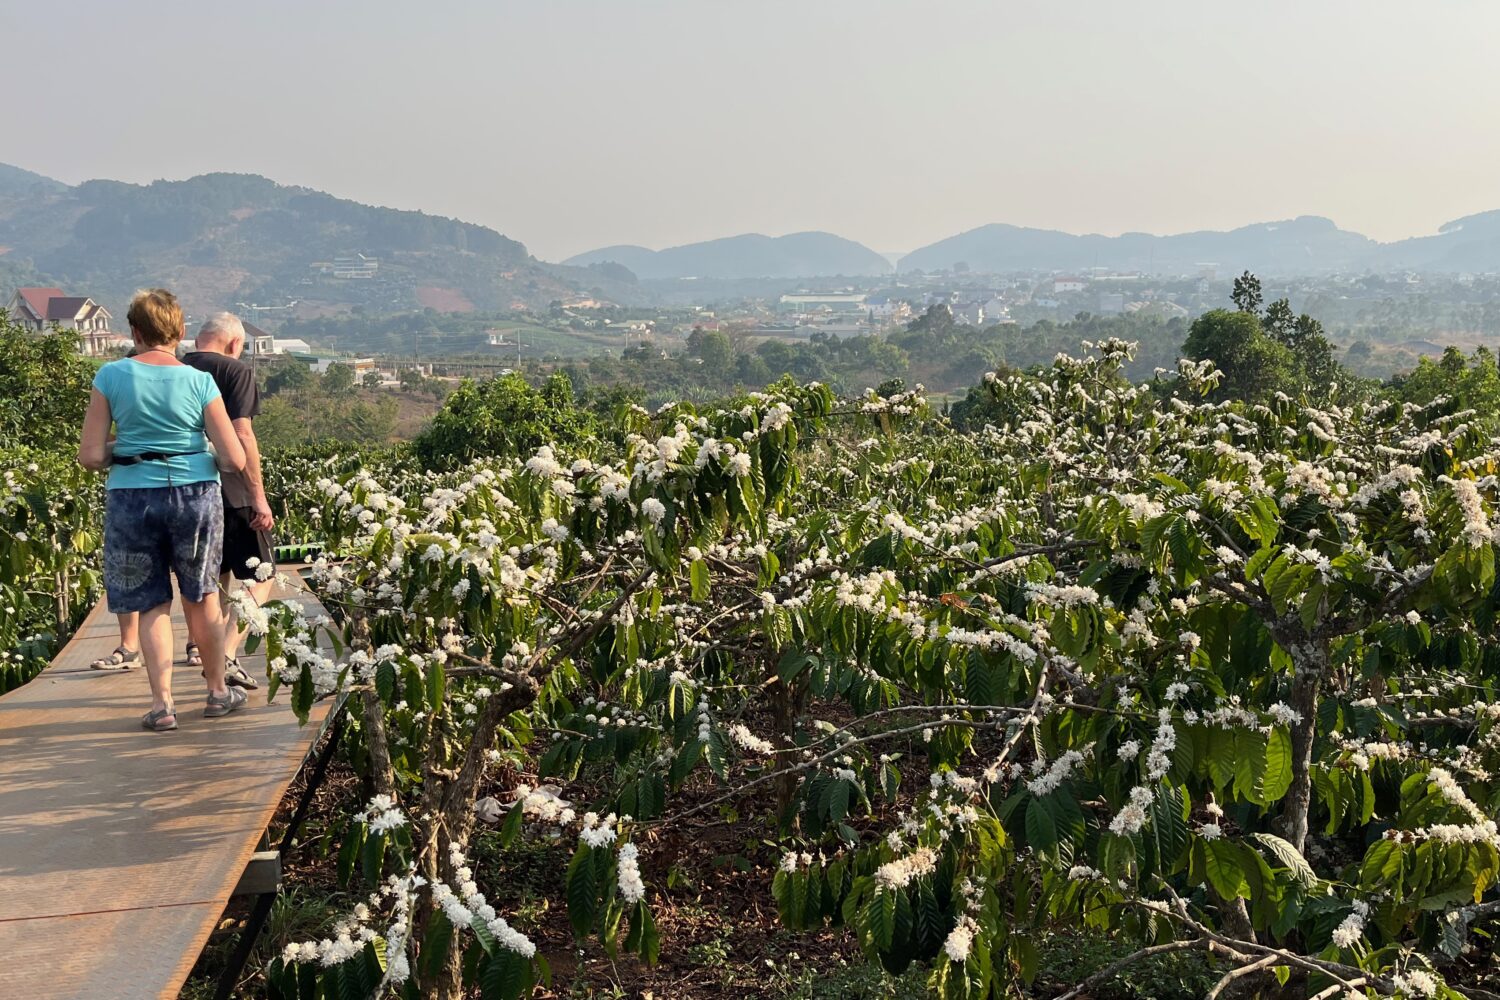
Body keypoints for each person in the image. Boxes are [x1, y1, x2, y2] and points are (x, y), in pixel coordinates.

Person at [77, 289, 249, 731]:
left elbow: (92, 456)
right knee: (203, 595)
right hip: (194, 496)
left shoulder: (110, 376)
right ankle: (215, 693)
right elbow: (234, 459)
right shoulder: (198, 381)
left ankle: (163, 705)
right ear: (180, 332)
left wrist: (131, 450)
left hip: (131, 499)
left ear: (135, 331)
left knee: (149, 602)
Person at [181, 312, 276, 684]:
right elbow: (243, 435)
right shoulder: (235, 371)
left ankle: (199, 647)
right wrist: (259, 496)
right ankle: (227, 652)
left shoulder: (175, 367)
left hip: (185, 489)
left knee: (213, 576)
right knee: (261, 573)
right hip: (231, 488)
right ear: (235, 343)